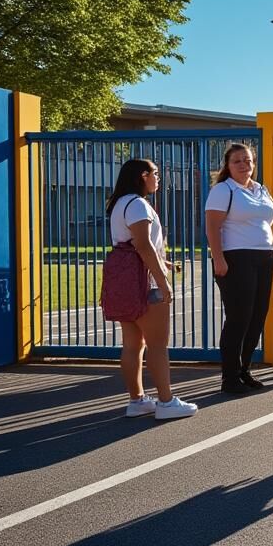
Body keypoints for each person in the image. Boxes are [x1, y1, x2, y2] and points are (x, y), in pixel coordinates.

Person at [107, 159, 198, 420]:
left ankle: (137, 400)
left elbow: (130, 244)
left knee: (132, 344)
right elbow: (143, 246)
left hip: (124, 281)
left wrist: (163, 261)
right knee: (158, 344)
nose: (158, 178)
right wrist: (163, 279)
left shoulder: (119, 203)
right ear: (143, 175)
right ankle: (166, 403)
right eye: (155, 174)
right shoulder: (137, 204)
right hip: (144, 281)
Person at [204, 143, 273, 396]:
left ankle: (244, 369)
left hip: (264, 258)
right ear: (228, 165)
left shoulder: (260, 189)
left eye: (247, 160)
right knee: (239, 318)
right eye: (237, 161)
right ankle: (230, 377)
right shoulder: (223, 190)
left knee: (257, 316)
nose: (244, 165)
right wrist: (219, 259)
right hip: (236, 259)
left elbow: (265, 222)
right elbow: (212, 227)